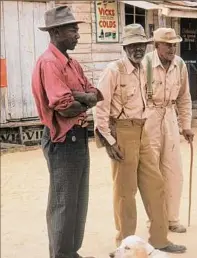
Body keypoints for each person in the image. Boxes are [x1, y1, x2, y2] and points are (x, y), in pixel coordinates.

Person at [93, 24, 186, 256]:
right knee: (126, 192)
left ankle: (160, 239)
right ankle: (125, 245)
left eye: (140, 45)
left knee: (156, 185)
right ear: (125, 47)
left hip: (143, 129)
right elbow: (100, 106)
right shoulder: (114, 70)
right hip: (122, 132)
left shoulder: (145, 69)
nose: (137, 49)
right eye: (132, 45)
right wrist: (108, 140)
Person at [31, 6, 103, 258]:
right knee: (63, 203)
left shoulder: (71, 63)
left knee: (77, 201)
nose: (77, 35)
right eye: (73, 29)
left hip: (78, 138)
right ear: (56, 31)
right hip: (62, 140)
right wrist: (82, 99)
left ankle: (71, 253)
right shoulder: (50, 63)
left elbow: (96, 93)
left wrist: (80, 97)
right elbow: (64, 107)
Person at [142, 28, 194, 233]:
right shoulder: (145, 63)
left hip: (170, 115)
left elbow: (184, 97)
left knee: (173, 170)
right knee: (151, 171)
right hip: (149, 117)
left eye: (174, 44)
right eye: (167, 44)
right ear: (157, 45)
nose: (172, 48)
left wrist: (186, 125)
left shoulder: (180, 65)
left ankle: (172, 219)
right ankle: (154, 220)